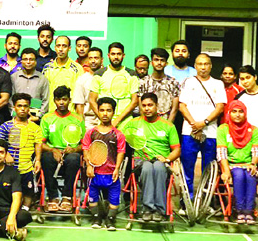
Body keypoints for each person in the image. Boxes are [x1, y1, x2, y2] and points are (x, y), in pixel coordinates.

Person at [124, 93, 181, 222]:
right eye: (143, 106)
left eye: (150, 105)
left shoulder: (168, 126)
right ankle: (148, 208)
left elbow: (176, 150)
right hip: (141, 162)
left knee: (158, 167)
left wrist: (167, 159)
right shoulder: (133, 124)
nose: (147, 108)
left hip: (162, 162)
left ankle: (159, 210)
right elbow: (122, 139)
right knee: (148, 167)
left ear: (157, 106)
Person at [179, 53, 226, 197]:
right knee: (187, 168)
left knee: (209, 169)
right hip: (189, 132)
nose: (203, 67)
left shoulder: (218, 84)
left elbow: (220, 107)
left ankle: (207, 200)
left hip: (210, 132)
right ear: (195, 66)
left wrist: (204, 123)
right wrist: (195, 125)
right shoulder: (188, 82)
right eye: (200, 64)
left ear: (211, 66)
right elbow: (182, 106)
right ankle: (187, 201)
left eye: (206, 64)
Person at [82, 97, 125, 230]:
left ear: (113, 112)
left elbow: (120, 152)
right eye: (102, 110)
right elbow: (86, 149)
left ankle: (110, 220)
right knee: (92, 197)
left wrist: (117, 168)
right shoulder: (91, 132)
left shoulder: (118, 134)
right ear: (97, 112)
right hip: (95, 173)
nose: (105, 113)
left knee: (114, 199)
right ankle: (96, 219)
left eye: (108, 110)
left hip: (111, 174)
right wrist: (89, 165)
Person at [40, 86, 85, 213]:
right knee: (46, 158)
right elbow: (40, 144)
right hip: (52, 154)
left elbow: (84, 145)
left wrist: (75, 149)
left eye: (64, 99)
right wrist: (52, 150)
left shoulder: (78, 119)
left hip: (70, 154)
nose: (61, 102)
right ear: (54, 100)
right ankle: (53, 197)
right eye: (58, 99)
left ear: (69, 100)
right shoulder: (47, 118)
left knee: (74, 159)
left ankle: (67, 197)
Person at [217, 100, 258, 224]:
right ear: (229, 113)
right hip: (231, 165)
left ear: (245, 113)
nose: (237, 114)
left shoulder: (253, 130)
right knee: (239, 175)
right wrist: (226, 171)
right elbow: (222, 152)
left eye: (241, 112)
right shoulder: (223, 129)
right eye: (234, 111)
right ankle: (239, 210)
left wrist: (253, 164)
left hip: (248, 164)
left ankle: (249, 211)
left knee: (250, 175)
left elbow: (256, 151)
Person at [0, 94, 43, 208]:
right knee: (7, 191)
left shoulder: (35, 128)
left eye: (25, 106)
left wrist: (37, 160)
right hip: (8, 168)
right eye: (19, 106)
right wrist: (6, 155)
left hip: (26, 167)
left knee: (28, 192)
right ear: (14, 108)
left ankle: (25, 210)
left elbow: (38, 144)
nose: (22, 109)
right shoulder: (5, 126)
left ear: (29, 108)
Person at [88, 42, 139, 130]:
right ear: (108, 55)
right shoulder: (99, 74)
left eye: (119, 54)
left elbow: (134, 101)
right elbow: (92, 100)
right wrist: (104, 119)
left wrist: (117, 120)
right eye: (113, 54)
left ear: (123, 55)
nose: (116, 57)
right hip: (104, 123)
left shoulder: (131, 74)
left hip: (126, 123)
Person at [42, 36, 84, 113]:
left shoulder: (77, 68)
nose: (61, 49)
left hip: (70, 114)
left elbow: (80, 96)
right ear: (55, 48)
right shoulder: (47, 68)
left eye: (64, 46)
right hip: (50, 114)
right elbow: (43, 92)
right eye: (58, 46)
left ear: (69, 48)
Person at [139, 48, 180, 122]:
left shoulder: (173, 83)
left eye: (162, 60)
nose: (159, 63)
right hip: (147, 124)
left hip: (166, 123)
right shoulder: (143, 82)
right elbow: (141, 107)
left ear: (166, 63)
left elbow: (174, 109)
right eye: (156, 60)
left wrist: (168, 126)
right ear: (151, 62)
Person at [11, 47, 50, 122]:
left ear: (36, 61)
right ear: (21, 61)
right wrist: (15, 114)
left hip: (35, 119)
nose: (28, 62)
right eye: (25, 59)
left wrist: (39, 117)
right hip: (16, 119)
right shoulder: (14, 77)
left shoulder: (43, 79)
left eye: (31, 59)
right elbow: (10, 99)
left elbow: (46, 100)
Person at [73, 47, 104, 129]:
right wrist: (82, 126)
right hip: (88, 123)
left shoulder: (107, 77)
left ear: (102, 60)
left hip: (105, 121)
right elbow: (79, 105)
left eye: (96, 58)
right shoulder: (81, 80)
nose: (93, 61)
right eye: (90, 58)